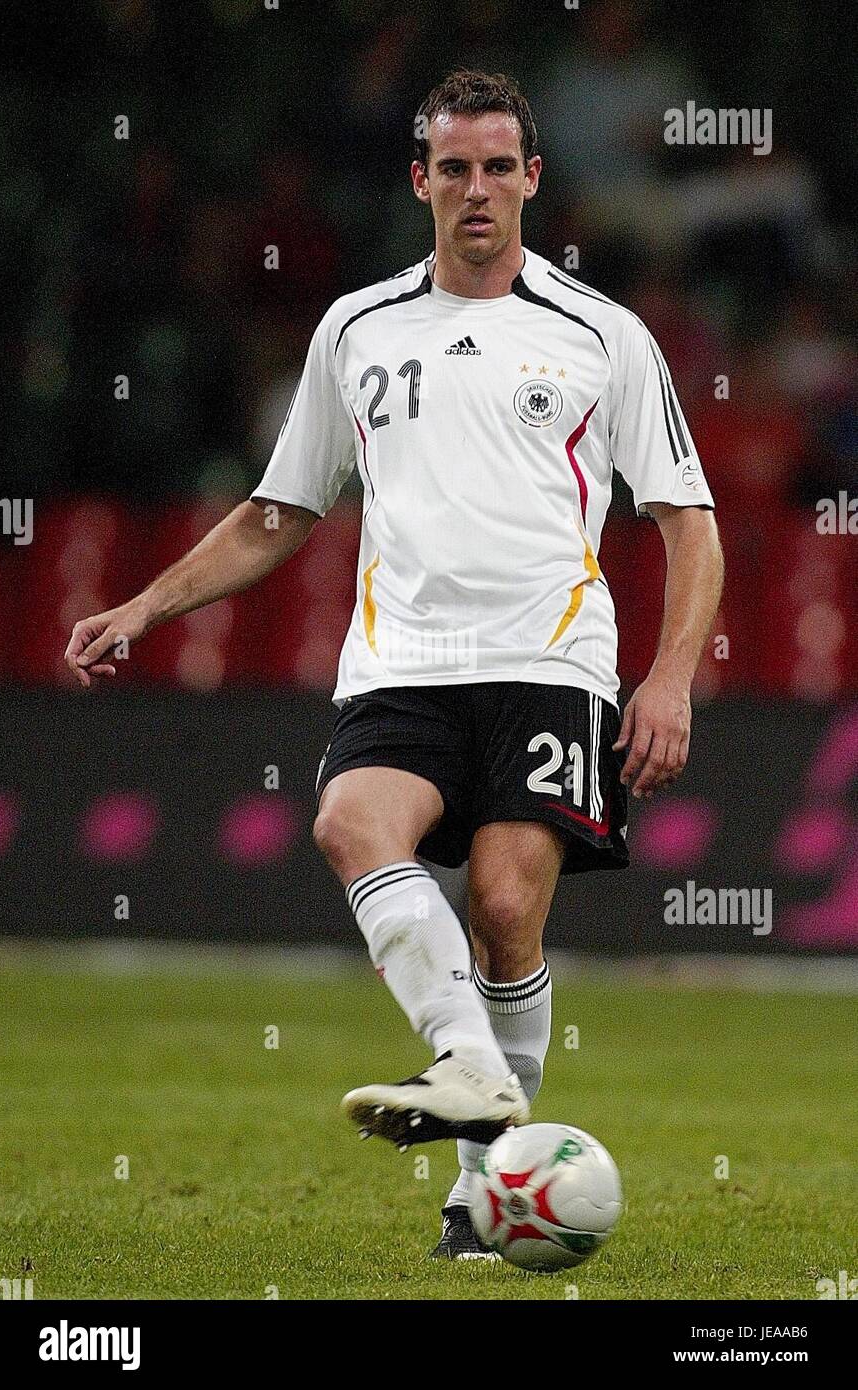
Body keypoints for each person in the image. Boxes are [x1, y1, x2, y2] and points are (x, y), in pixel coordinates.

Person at [65, 70, 723, 1261]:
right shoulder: (355, 329)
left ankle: (478, 1200)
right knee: (343, 823)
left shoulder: (600, 335)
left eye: (497, 167)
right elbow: (278, 510)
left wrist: (668, 675)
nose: (476, 190)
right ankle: (471, 1067)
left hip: (548, 658)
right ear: (419, 180)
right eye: (452, 168)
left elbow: (688, 518)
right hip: (400, 664)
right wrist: (145, 603)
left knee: (507, 910)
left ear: (533, 178)